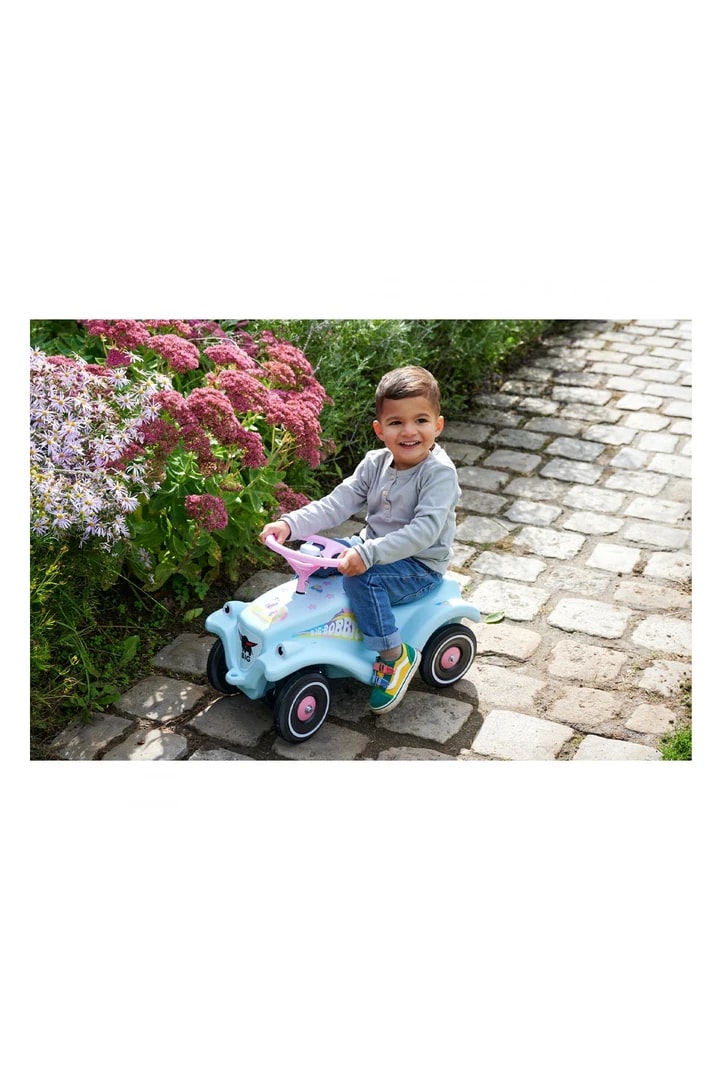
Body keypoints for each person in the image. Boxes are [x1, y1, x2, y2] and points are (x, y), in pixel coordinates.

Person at [259, 365, 460, 714]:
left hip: (418, 566)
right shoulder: (374, 464)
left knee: (363, 580)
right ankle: (307, 629)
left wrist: (367, 555)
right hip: (373, 547)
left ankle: (394, 655)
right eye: (396, 422)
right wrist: (290, 525)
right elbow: (336, 504)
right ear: (379, 430)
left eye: (421, 420)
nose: (409, 431)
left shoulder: (438, 474)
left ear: (437, 425)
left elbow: (423, 532)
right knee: (316, 555)